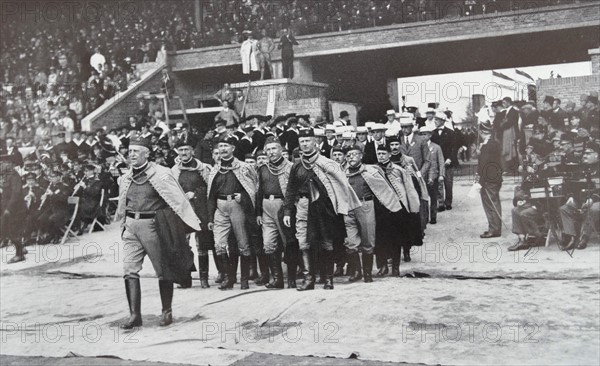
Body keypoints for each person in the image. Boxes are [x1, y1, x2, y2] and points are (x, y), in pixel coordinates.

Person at [114, 137, 201, 329]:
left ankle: (166, 311)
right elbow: (122, 203)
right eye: (130, 151)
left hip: (153, 225)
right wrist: (123, 224)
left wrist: (182, 228)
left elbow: (177, 201)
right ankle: (135, 315)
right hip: (131, 226)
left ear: (147, 153)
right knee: (129, 270)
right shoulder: (126, 177)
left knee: (163, 270)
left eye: (137, 151)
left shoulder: (161, 174)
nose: (132, 155)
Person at [283, 128, 361, 291]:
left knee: (326, 243)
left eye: (308, 141)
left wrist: (336, 206)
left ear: (315, 142)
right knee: (304, 242)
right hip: (304, 205)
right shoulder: (297, 166)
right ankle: (308, 279)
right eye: (302, 141)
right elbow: (290, 190)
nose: (305, 144)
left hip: (324, 207)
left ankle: (328, 279)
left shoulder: (327, 163)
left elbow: (340, 186)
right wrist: (288, 211)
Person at [343, 145, 402, 283]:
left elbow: (384, 190)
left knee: (368, 241)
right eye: (348, 155)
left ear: (361, 156)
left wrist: (392, 206)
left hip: (366, 206)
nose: (351, 157)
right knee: (351, 243)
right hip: (348, 208)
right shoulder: (342, 173)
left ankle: (367, 273)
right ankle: (357, 271)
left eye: (354, 154)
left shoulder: (371, 171)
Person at [206, 135, 258, 290]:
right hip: (220, 207)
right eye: (220, 146)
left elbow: (254, 187)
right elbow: (210, 195)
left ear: (233, 149)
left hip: (237, 206)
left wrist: (243, 196)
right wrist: (210, 217)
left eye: (226, 146)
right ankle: (229, 277)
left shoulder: (244, 167)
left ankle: (244, 280)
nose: (223, 149)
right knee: (219, 245)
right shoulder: (215, 168)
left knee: (243, 243)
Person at [171, 137, 214, 289]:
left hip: (200, 211)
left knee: (202, 244)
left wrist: (195, 193)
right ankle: (185, 278)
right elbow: (170, 191)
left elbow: (211, 190)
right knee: (183, 245)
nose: (184, 153)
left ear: (192, 151)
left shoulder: (203, 168)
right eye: (181, 150)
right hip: (182, 212)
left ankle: (204, 278)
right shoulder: (174, 170)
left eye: (186, 149)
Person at [256, 136, 294, 288]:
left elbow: (292, 192)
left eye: (274, 148)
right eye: (268, 149)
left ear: (281, 149)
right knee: (269, 243)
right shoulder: (263, 168)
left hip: (282, 205)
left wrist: (288, 211)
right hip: (266, 206)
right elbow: (259, 191)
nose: (271, 152)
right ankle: (277, 279)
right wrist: (258, 212)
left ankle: (291, 278)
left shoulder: (290, 167)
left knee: (288, 242)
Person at [477, 120, 503, 238]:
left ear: (482, 132)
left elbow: (484, 163)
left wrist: (480, 178)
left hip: (489, 179)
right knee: (493, 202)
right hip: (494, 177)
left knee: (490, 203)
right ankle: (494, 227)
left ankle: (494, 229)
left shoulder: (488, 145)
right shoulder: (493, 143)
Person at [430, 111, 458, 212]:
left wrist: (450, 158)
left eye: (437, 120)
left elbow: (454, 148)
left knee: (448, 183)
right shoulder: (432, 133)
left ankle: (448, 202)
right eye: (435, 120)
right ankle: (440, 203)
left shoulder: (451, 133)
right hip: (437, 162)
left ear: (442, 121)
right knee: (438, 183)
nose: (435, 121)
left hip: (448, 162)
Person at [1, 153, 26, 263]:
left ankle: (19, 255)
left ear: (10, 164)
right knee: (7, 230)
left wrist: (9, 209)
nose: (1, 165)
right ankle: (22, 248)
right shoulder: (6, 175)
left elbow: (16, 194)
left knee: (12, 231)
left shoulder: (14, 176)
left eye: (3, 163)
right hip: (8, 207)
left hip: (16, 209)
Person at [420, 125, 444, 225]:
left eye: (425, 134)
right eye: (421, 134)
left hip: (433, 175)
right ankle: (425, 217)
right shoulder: (419, 147)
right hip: (422, 175)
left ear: (430, 135)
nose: (423, 136)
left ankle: (433, 216)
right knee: (423, 197)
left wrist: (441, 174)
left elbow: (441, 162)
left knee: (433, 196)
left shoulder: (436, 147)